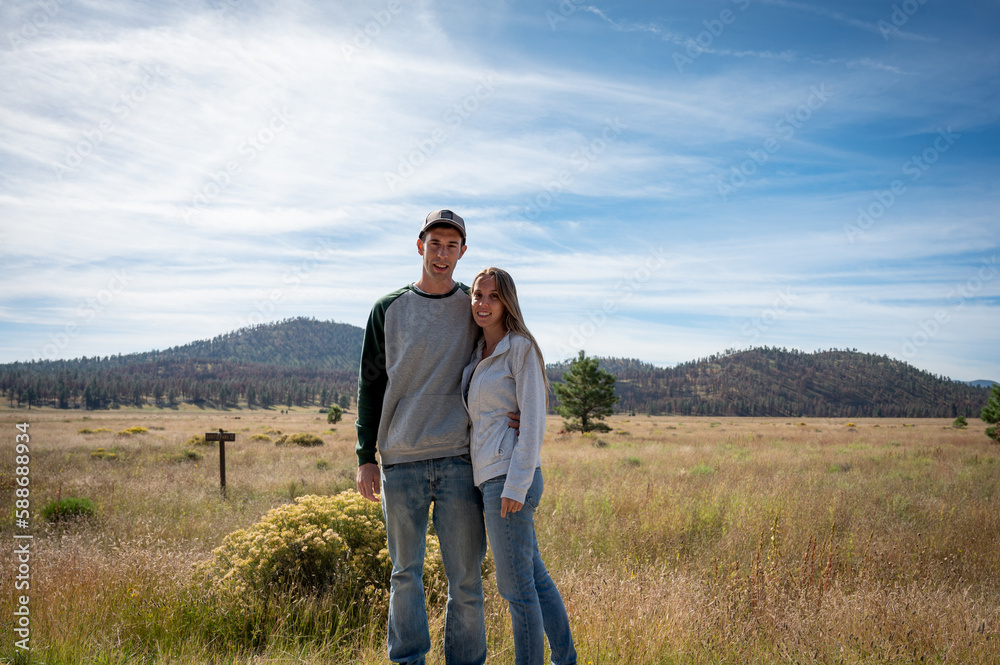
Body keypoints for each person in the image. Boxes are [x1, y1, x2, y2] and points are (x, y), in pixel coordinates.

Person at [355, 209, 487, 665]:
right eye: (435, 244)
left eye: (453, 246)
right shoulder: (387, 309)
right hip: (401, 461)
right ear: (419, 246)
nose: (443, 254)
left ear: (463, 252)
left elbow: (505, 361)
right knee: (405, 574)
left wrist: (516, 413)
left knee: (467, 580)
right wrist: (364, 455)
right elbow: (370, 385)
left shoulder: (476, 305)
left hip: (459, 461)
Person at [461, 267, 577, 665]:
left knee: (516, 589)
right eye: (478, 295)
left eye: (492, 296)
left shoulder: (521, 348)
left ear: (507, 301)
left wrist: (515, 485)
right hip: (490, 476)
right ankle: (566, 658)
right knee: (536, 579)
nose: (483, 303)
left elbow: (534, 421)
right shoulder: (478, 353)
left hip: (509, 480)